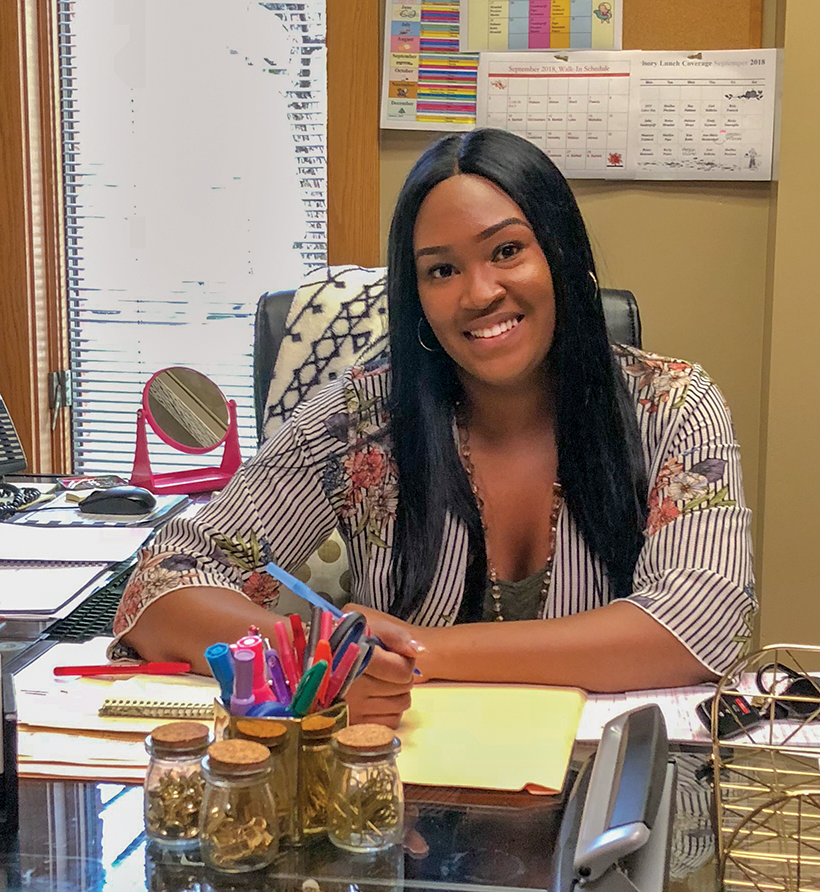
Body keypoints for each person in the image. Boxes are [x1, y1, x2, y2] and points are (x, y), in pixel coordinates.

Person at [113, 129, 755, 729]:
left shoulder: (672, 406)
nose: (479, 293)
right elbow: (164, 579)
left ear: (562, 255)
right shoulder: (361, 420)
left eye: (507, 251)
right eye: (441, 270)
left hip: (608, 804)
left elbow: (701, 622)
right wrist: (313, 662)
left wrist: (423, 652)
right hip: (408, 803)